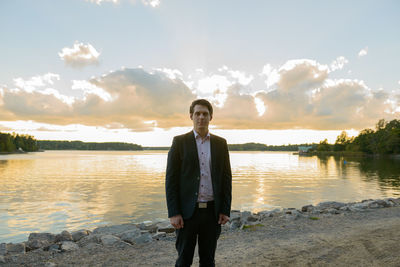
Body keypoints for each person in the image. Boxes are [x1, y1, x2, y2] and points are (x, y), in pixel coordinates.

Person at [165, 99, 232, 267]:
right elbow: (171, 180)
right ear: (191, 116)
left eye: (205, 114)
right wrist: (174, 212)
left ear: (211, 117)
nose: (201, 117)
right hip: (187, 213)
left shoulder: (220, 144)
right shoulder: (179, 142)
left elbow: (226, 178)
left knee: (208, 260)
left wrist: (225, 208)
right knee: (183, 260)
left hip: (212, 212)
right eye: (197, 113)